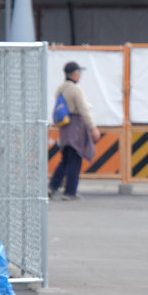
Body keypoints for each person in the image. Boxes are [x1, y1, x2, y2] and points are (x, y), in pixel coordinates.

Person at [49, 61, 101, 200]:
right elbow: (84, 109)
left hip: (65, 127)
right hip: (76, 126)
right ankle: (70, 191)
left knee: (65, 159)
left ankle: (53, 186)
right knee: (75, 159)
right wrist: (93, 127)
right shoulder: (76, 89)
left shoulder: (60, 88)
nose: (80, 76)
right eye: (79, 73)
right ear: (73, 74)